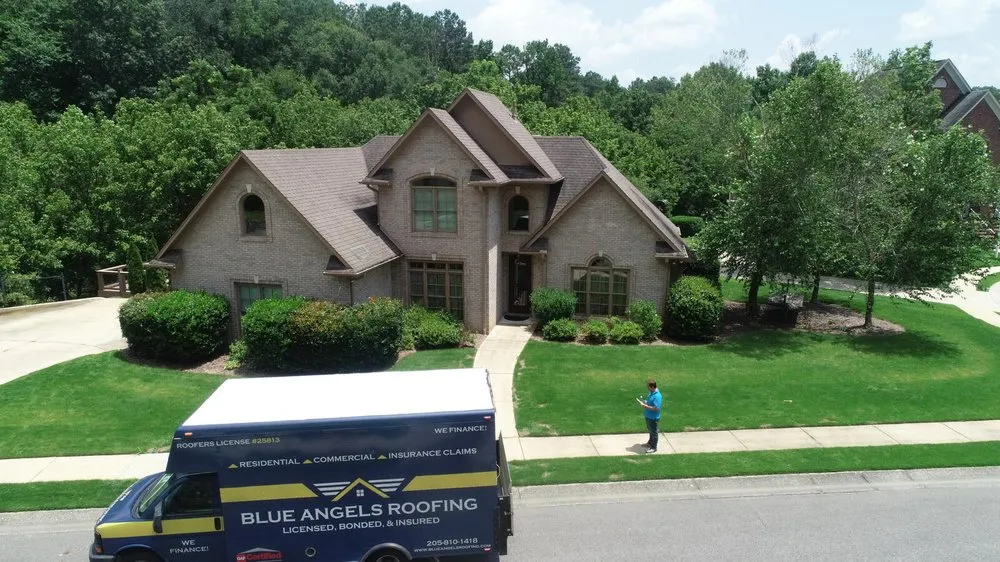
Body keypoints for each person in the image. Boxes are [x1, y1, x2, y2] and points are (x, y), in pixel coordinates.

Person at [636, 379, 663, 453]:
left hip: (653, 418)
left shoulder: (657, 396)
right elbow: (651, 403)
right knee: (650, 431)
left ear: (652, 387)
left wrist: (645, 406)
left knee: (654, 432)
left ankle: (654, 447)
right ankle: (650, 443)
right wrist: (645, 402)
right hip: (648, 416)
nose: (647, 388)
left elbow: (656, 408)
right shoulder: (651, 393)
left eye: (648, 387)